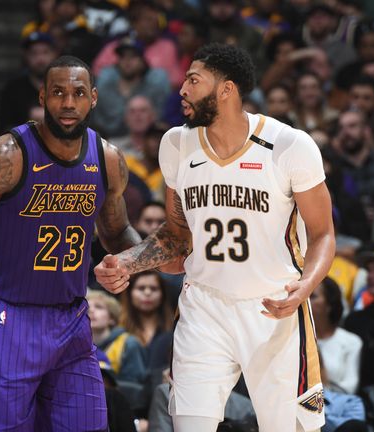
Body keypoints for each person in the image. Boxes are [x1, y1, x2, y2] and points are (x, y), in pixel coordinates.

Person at [95, 43, 335, 431]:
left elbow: (323, 235)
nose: (182, 89)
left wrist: (306, 286)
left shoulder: (290, 145)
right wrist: (127, 262)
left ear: (227, 90)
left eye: (194, 80)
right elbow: (176, 235)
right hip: (204, 307)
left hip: (273, 307)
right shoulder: (176, 144)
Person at [0, 55, 140, 431]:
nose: (67, 103)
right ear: (43, 96)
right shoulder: (5, 156)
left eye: (78, 93)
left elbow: (117, 232)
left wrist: (133, 261)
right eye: (58, 92)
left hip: (73, 318)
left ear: (93, 98)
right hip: (8, 317)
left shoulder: (107, 158)